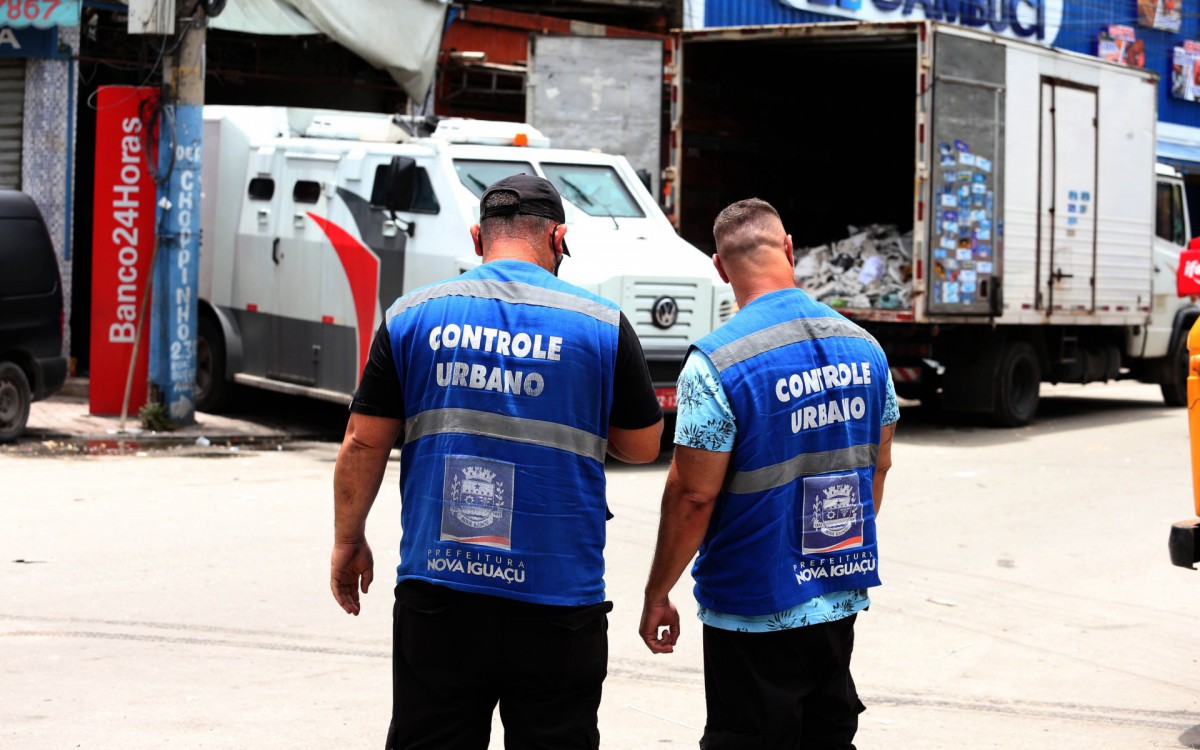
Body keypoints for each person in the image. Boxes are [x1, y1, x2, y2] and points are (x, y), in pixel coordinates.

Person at [332, 173, 664, 749]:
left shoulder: (412, 315)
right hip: (558, 597)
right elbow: (642, 446)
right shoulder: (601, 324)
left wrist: (347, 539)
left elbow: (363, 442)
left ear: (477, 237)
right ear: (558, 238)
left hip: (441, 589)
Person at [639, 197, 898, 749]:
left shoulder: (717, 363)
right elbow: (878, 469)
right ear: (789, 249)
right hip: (837, 597)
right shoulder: (867, 349)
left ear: (719, 267)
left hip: (752, 608)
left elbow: (693, 496)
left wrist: (658, 591)